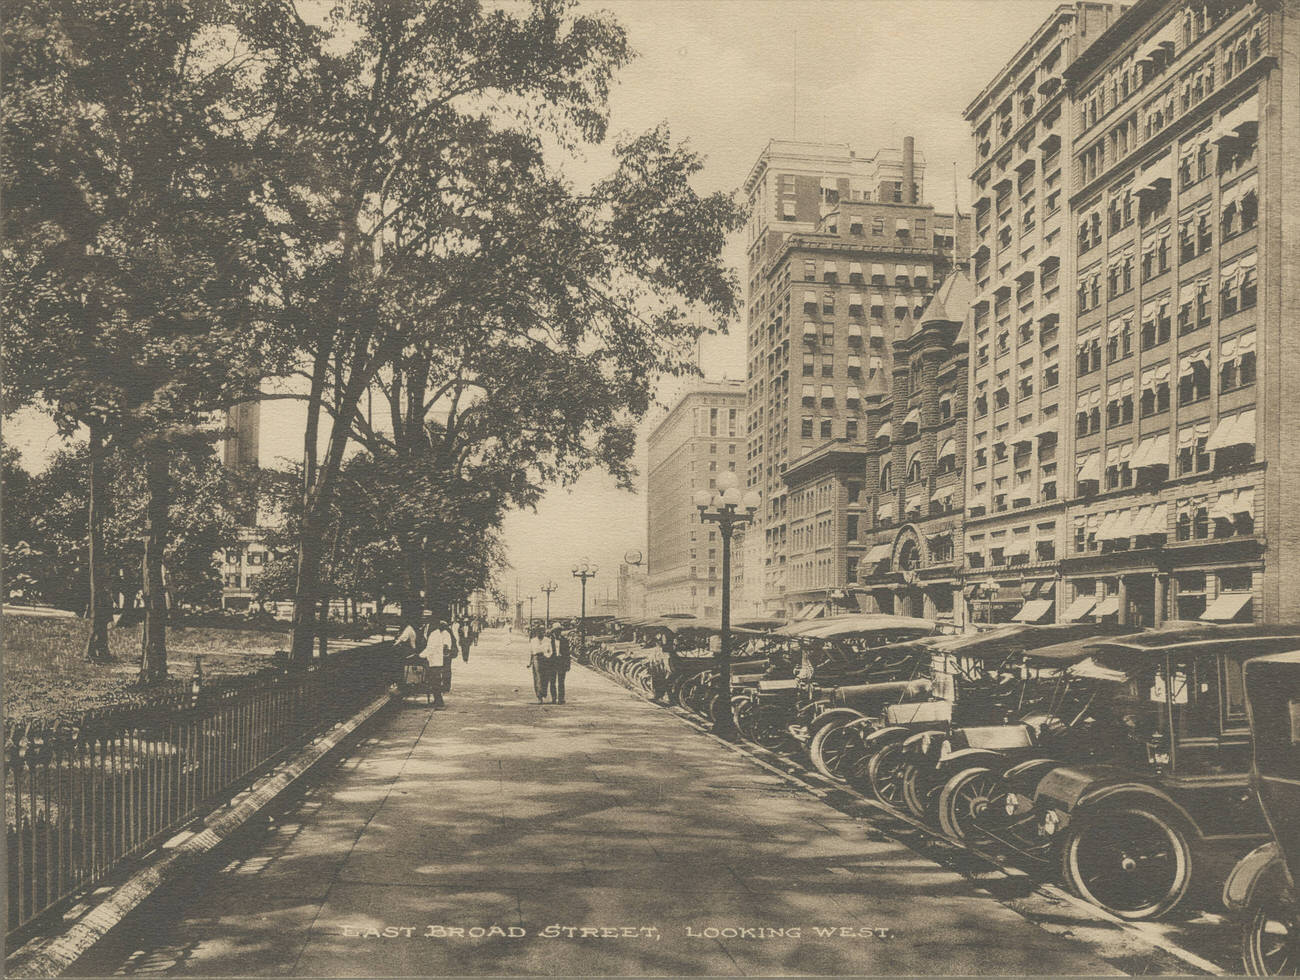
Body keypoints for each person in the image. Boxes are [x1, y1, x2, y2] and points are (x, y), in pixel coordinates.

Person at [420, 620, 454, 709]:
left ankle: (439, 703)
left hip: (434, 662)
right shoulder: (438, 634)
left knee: (435, 683)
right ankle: (437, 701)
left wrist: (421, 655)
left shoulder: (434, 634)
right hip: (437, 661)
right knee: (435, 682)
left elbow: (430, 648)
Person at [527, 626, 551, 704]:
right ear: (536, 632)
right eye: (539, 632)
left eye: (542, 631)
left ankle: (544, 693)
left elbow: (550, 651)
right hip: (536, 658)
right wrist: (529, 663)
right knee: (538, 677)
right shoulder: (533, 641)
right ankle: (539, 696)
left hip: (545, 659)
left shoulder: (548, 640)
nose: (540, 633)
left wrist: (548, 656)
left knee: (545, 677)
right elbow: (531, 652)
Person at [549, 625, 571, 704]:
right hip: (552, 663)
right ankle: (554, 698)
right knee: (552, 682)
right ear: (553, 631)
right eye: (556, 631)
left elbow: (568, 653)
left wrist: (568, 664)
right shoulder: (549, 641)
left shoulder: (565, 640)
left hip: (561, 662)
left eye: (559, 630)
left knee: (561, 682)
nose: (558, 632)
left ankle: (561, 699)